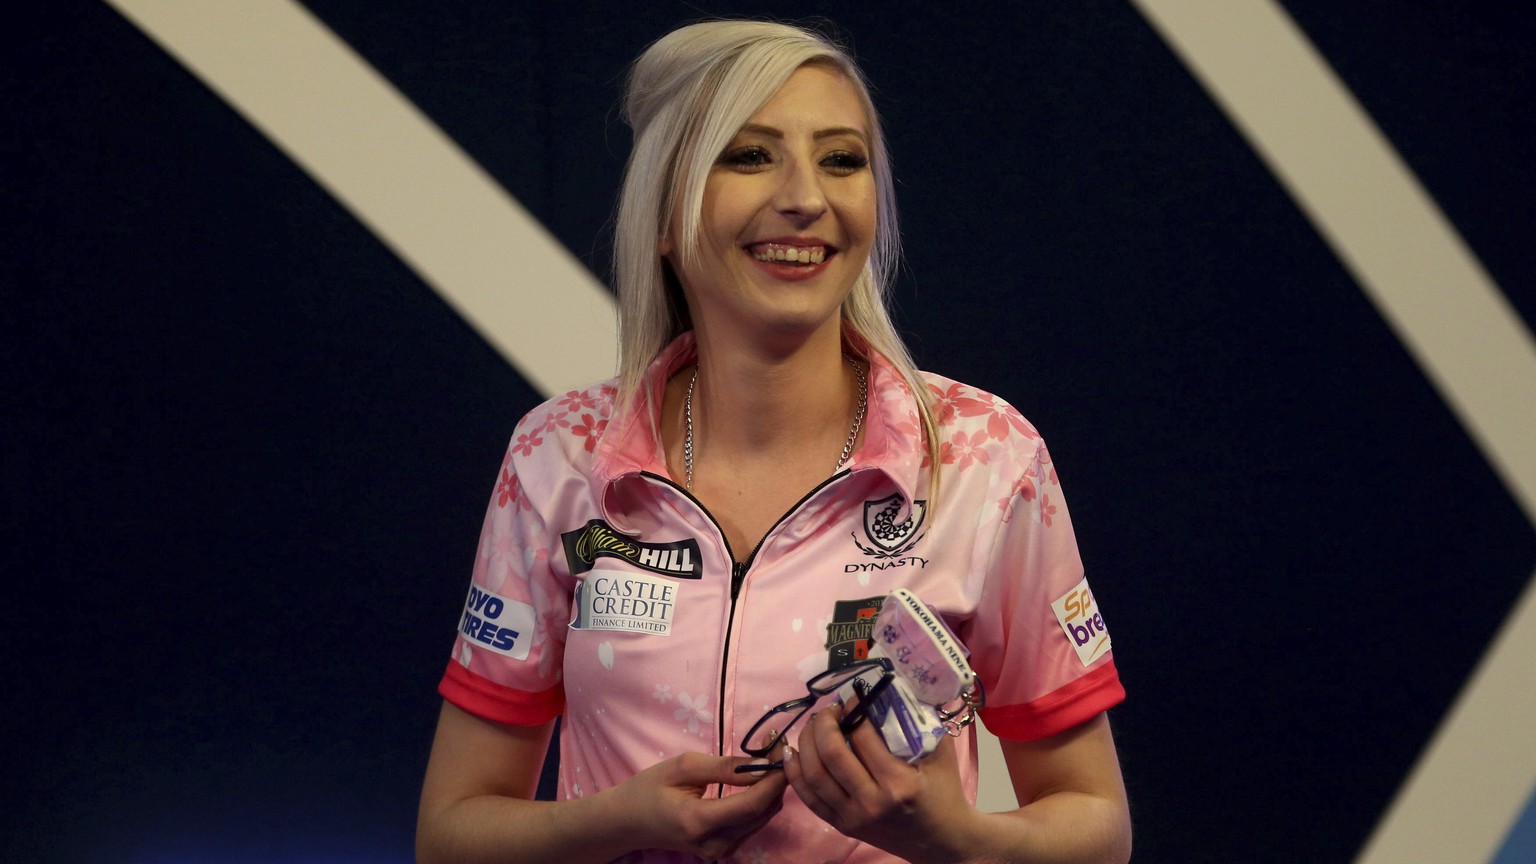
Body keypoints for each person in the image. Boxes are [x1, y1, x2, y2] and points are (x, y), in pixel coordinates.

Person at [417, 19, 1131, 864]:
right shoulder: (560, 454)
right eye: (750, 156)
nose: (806, 196)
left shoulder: (983, 456)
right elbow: (451, 832)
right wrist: (616, 821)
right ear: (664, 215)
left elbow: (1098, 825)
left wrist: (954, 838)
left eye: (841, 159)